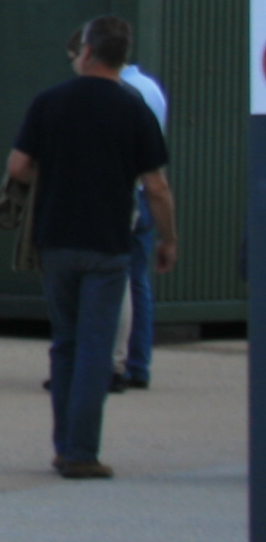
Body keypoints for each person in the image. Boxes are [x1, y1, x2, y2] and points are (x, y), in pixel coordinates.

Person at [4, 14, 177, 480]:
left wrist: (57, 175)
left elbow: (18, 166)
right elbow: (156, 187)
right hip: (108, 243)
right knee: (96, 349)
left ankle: (64, 446)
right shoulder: (134, 108)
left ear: (85, 52)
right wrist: (167, 239)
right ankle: (82, 451)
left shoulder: (50, 102)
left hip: (55, 238)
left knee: (66, 343)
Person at [113, 52, 171, 392]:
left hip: (125, 193)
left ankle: (114, 361)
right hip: (144, 191)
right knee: (138, 282)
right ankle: (139, 364)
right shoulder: (151, 88)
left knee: (116, 284)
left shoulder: (123, 92)